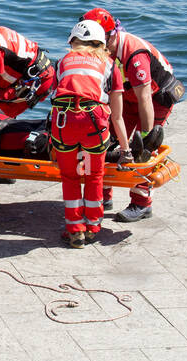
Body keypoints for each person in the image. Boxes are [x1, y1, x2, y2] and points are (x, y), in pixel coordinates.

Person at [82, 8, 181, 222]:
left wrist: (146, 136)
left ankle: (142, 203)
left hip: (155, 100)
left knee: (142, 151)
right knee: (106, 141)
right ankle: (102, 195)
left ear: (109, 36)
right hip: (128, 96)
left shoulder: (134, 54)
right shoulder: (105, 50)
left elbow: (145, 98)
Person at [49, 21, 129, 247]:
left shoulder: (62, 62)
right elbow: (117, 116)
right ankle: (93, 227)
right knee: (94, 175)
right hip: (93, 124)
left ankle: (75, 230)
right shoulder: (110, 65)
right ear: (102, 43)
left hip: (64, 124)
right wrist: (125, 149)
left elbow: (55, 97)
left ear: (73, 42)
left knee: (70, 177)